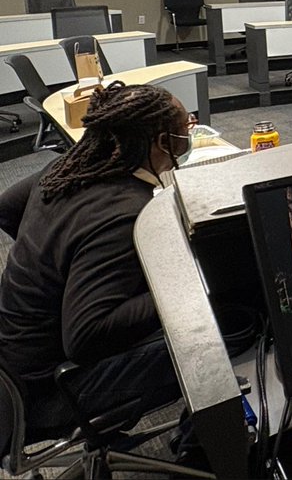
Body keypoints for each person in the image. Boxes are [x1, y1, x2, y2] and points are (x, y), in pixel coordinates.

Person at [0, 83, 192, 437]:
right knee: (224, 327)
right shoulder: (126, 213)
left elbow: (6, 209)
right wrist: (187, 283)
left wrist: (50, 270)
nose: (189, 132)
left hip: (14, 361)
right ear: (162, 143)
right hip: (49, 393)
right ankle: (202, 444)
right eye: (186, 127)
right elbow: (86, 335)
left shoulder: (65, 169)